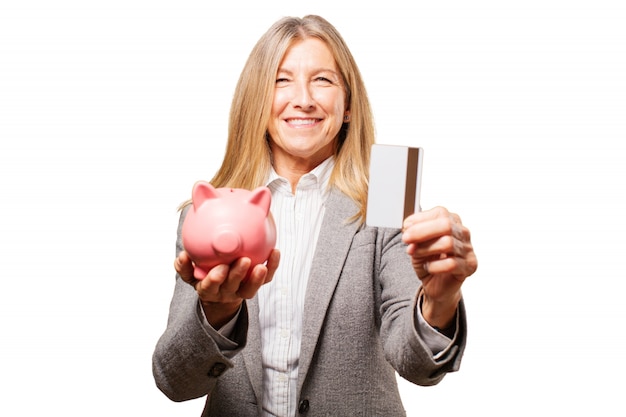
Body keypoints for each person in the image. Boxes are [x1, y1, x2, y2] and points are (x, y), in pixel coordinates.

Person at [152, 14, 478, 417]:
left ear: (347, 107)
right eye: (281, 80)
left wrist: (440, 301)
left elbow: (417, 364)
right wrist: (215, 315)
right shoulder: (208, 213)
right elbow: (174, 382)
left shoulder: (391, 197)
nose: (303, 98)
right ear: (257, 100)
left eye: (323, 80)